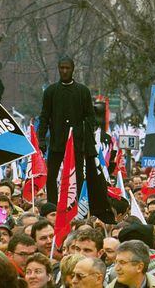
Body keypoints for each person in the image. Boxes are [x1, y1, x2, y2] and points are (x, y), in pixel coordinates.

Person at [38, 55, 96, 205]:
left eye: (67, 68)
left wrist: (86, 139)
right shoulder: (50, 91)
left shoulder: (83, 91)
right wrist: (41, 138)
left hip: (76, 142)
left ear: (72, 69)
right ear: (58, 69)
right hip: (57, 140)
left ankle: (79, 203)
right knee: (51, 175)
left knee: (78, 175)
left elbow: (91, 117)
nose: (64, 71)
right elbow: (44, 116)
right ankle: (52, 204)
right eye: (61, 68)